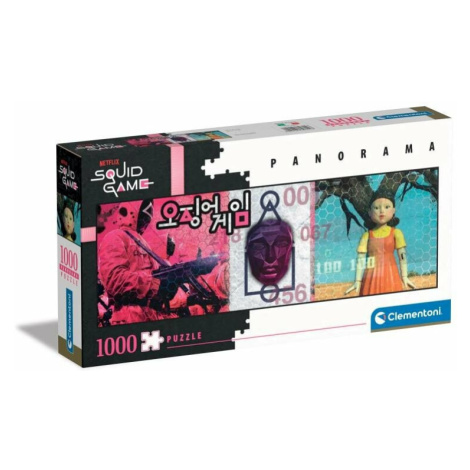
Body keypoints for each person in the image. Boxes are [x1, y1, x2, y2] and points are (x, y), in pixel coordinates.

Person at [98, 201, 179, 325]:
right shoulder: (115, 237)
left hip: (151, 315)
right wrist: (157, 284)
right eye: (143, 218)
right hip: (129, 316)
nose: (145, 223)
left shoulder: (144, 244)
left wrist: (167, 290)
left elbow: (153, 279)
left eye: (147, 220)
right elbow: (115, 280)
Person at [345, 191, 416, 296]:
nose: (382, 211)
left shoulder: (396, 233)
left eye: (387, 207)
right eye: (376, 208)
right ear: (369, 212)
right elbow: (360, 259)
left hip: (390, 274)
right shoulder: (366, 236)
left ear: (393, 210)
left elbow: (402, 256)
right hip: (370, 276)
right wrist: (358, 281)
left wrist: (404, 276)